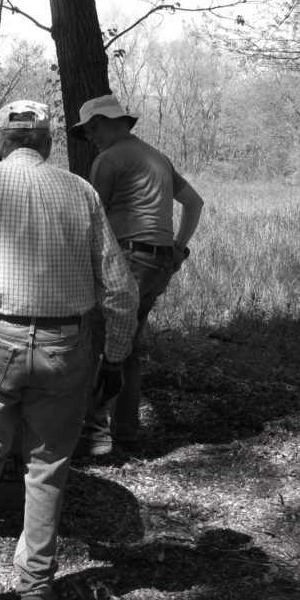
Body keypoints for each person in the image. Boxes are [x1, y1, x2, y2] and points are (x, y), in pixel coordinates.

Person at [0, 100, 139, 600]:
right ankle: (37, 587)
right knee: (48, 465)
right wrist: (116, 356)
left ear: (0, 139)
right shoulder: (79, 189)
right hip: (67, 345)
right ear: (47, 142)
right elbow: (121, 289)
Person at [69, 95, 205, 456]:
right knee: (125, 347)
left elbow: (93, 222)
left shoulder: (109, 160)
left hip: (129, 260)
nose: (91, 135)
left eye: (95, 126)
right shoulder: (156, 157)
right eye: (87, 131)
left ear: (116, 121)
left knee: (98, 343)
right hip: (157, 264)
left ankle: (94, 436)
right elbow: (195, 203)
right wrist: (177, 249)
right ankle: (125, 437)